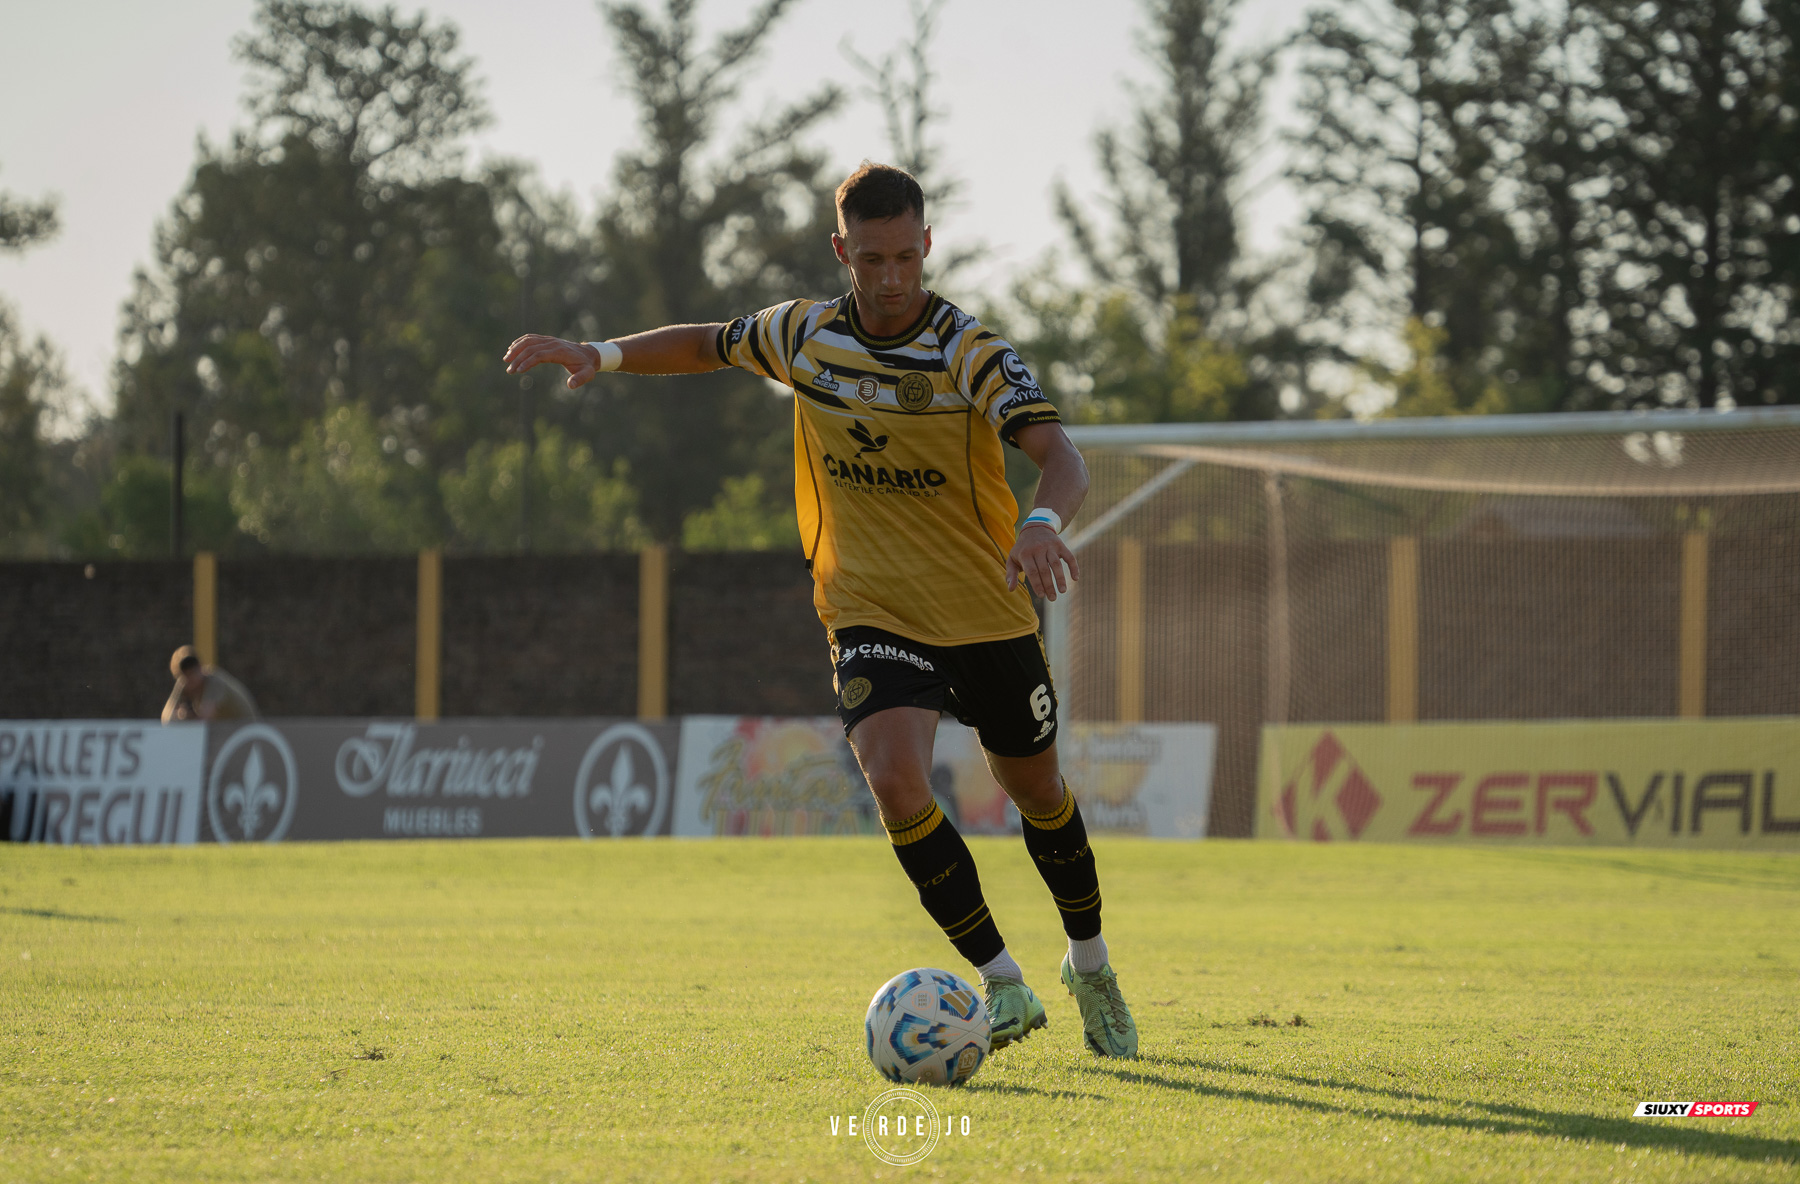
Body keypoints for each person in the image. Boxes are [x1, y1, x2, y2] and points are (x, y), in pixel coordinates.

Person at [503, 162, 1136, 1058]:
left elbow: (1058, 452)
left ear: (927, 246)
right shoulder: (803, 335)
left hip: (986, 610)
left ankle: (1091, 962)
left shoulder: (968, 349)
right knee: (893, 776)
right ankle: (1002, 985)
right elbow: (710, 342)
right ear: (842, 250)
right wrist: (601, 355)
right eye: (870, 258)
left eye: (906, 258)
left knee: (1035, 791)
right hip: (870, 609)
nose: (889, 278)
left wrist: (1039, 522)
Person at [161, 645, 258, 723]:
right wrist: (180, 714)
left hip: (245, 729)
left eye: (193, 672)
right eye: (187, 675)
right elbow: (166, 718)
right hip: (227, 731)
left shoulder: (214, 681)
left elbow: (205, 719)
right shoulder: (184, 683)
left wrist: (186, 717)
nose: (192, 678)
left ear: (200, 667)